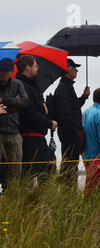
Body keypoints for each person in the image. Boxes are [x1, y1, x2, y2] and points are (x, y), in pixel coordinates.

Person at [16, 55, 57, 183]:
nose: (38, 68)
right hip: (30, 138)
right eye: (35, 65)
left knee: (45, 174)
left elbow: (39, 108)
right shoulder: (21, 86)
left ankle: (40, 202)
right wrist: (49, 122)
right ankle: (29, 202)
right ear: (27, 67)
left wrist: (44, 105)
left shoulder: (33, 86)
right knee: (31, 177)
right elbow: (29, 112)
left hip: (38, 137)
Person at [54, 58, 90, 185]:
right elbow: (65, 114)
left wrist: (84, 97)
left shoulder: (67, 86)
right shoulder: (64, 88)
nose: (77, 70)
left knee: (71, 162)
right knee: (70, 163)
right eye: (74, 67)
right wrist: (75, 130)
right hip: (69, 132)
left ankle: (69, 189)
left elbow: (73, 108)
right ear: (66, 69)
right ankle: (68, 191)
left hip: (70, 131)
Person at [0, 58, 28, 187]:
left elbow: (24, 102)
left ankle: (12, 195)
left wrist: (4, 100)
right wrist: (14, 102)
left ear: (11, 71)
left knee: (16, 168)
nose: (3, 74)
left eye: (6, 71)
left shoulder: (17, 84)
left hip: (14, 130)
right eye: (1, 71)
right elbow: (19, 102)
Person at [81, 88, 100, 170]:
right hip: (96, 156)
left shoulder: (85, 112)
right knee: (99, 181)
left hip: (85, 154)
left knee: (89, 180)